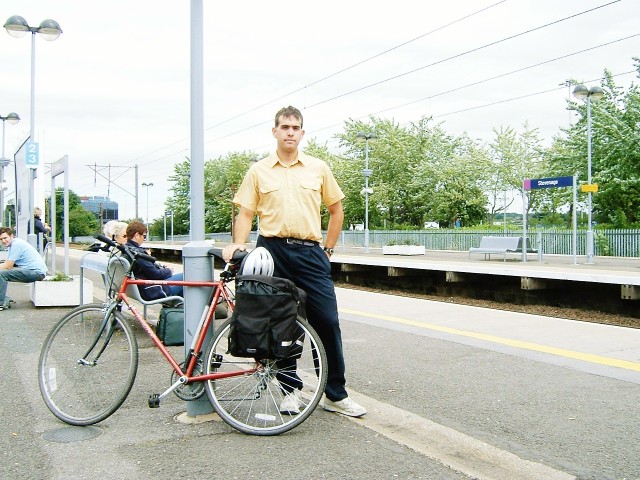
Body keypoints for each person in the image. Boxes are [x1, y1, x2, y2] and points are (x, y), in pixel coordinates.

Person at [222, 105, 366, 417]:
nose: (289, 132)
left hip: (310, 251)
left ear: (302, 133)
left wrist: (327, 249)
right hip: (272, 251)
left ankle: (335, 394)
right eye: (284, 127)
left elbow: (336, 210)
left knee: (327, 320)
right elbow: (246, 213)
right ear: (274, 131)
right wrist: (237, 244)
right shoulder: (258, 170)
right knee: (280, 321)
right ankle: (289, 390)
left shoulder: (318, 168)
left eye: (295, 127)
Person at [125, 221, 183, 300]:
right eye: (144, 236)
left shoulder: (126, 249)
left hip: (140, 289)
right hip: (152, 290)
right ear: (137, 235)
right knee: (186, 276)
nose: (144, 239)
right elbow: (156, 274)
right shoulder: (137, 253)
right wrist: (169, 270)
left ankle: (176, 308)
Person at [0, 227, 48, 310]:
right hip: (33, 271)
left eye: (5, 238)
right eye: (1, 239)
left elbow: (8, 265)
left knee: (1, 274)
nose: (4, 241)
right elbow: (9, 263)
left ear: (11, 236)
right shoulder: (13, 244)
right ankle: (5, 299)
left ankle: (1, 303)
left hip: (36, 273)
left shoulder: (16, 245)